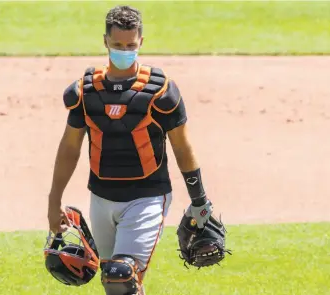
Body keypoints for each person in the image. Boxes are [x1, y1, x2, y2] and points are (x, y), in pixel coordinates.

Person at [47, 5, 216, 295]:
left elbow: (182, 147)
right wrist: (54, 200)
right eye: (117, 45)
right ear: (105, 42)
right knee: (115, 282)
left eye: (130, 45)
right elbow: (69, 148)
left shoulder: (161, 92)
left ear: (141, 43)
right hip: (100, 197)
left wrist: (199, 200)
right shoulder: (85, 93)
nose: (124, 51)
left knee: (121, 276)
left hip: (147, 198)